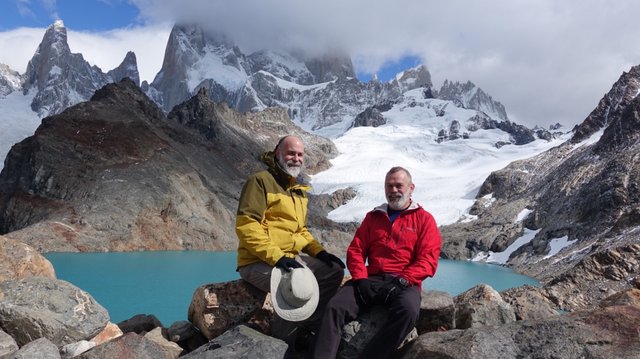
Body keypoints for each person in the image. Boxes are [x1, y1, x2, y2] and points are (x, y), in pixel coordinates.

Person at [309, 166, 442, 359]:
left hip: (404, 283)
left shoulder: (424, 220)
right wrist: (360, 279)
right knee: (335, 307)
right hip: (370, 279)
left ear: (411, 187)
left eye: (399, 185)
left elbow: (428, 259)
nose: (394, 190)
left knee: (408, 312)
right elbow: (356, 250)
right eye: (390, 185)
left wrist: (402, 281)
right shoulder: (373, 217)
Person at [235, 135, 345, 354]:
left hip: (288, 258)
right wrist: (277, 257)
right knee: (289, 285)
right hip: (257, 261)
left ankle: (309, 322)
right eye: (291, 153)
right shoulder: (260, 182)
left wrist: (318, 252)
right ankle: (284, 349)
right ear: (277, 153)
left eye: (300, 154)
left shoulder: (298, 191)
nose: (296, 158)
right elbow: (247, 226)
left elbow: (300, 231)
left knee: (333, 270)